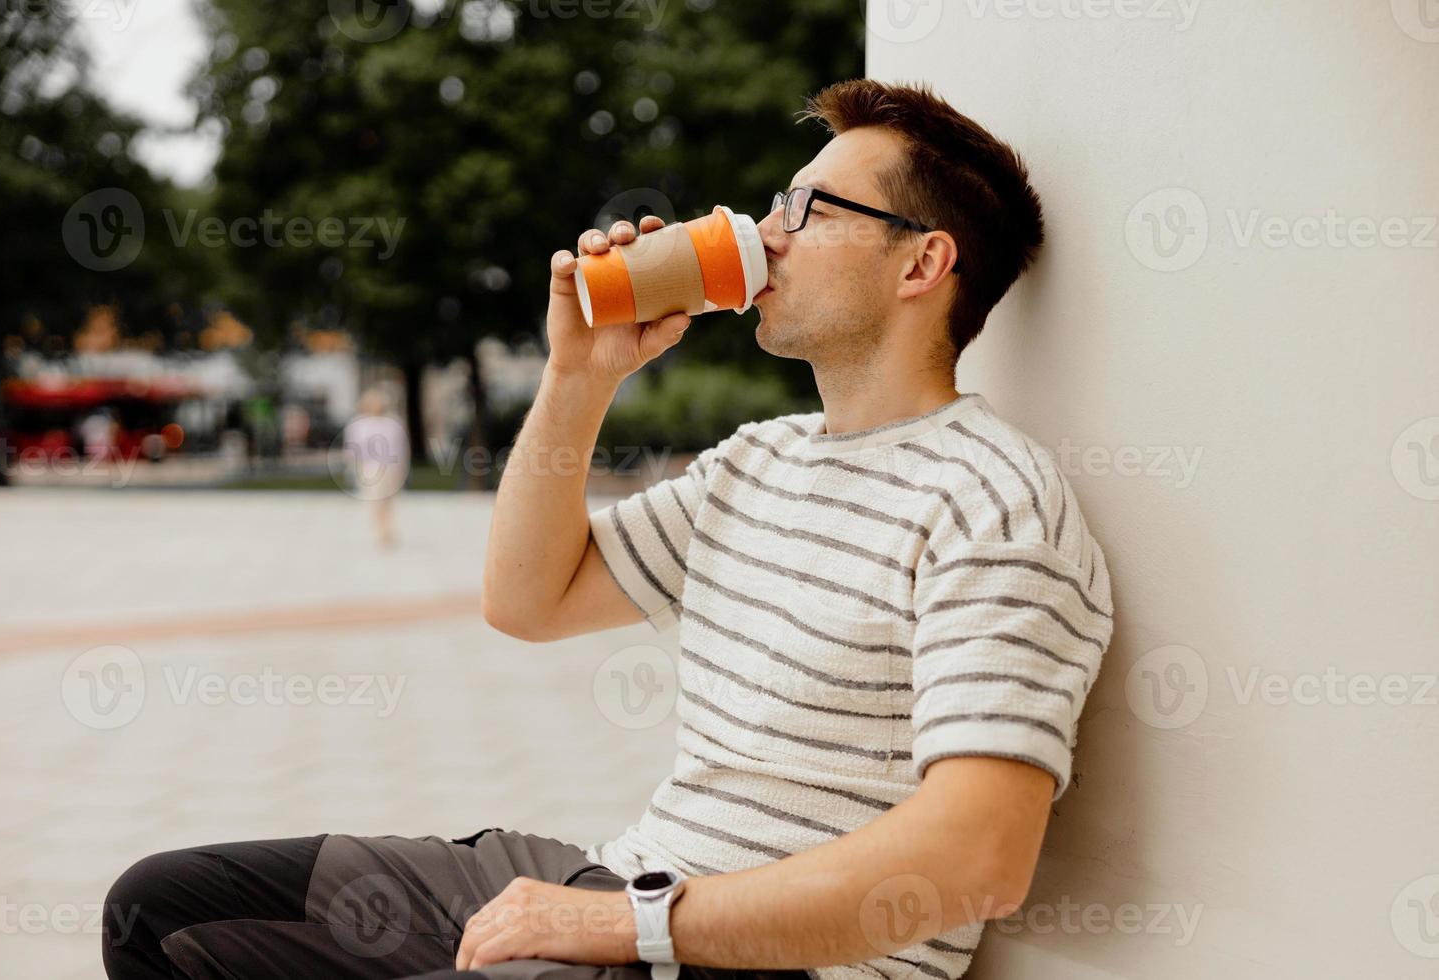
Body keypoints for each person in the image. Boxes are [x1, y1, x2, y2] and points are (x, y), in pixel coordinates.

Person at [103, 79, 1113, 980]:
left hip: (734, 953)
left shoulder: (992, 502)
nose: (772, 230)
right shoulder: (758, 460)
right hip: (624, 886)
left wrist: (631, 921)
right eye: (777, 203)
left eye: (807, 206)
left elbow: (976, 858)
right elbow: (527, 599)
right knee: (160, 910)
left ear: (921, 264)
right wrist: (579, 376)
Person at [341, 388, 411, 549]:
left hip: (390, 467)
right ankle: (381, 530)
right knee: (375, 500)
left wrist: (402, 468)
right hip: (369, 467)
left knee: (388, 501)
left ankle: (387, 528)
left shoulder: (392, 422)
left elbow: (400, 447)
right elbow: (353, 448)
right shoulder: (359, 423)